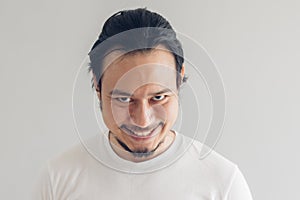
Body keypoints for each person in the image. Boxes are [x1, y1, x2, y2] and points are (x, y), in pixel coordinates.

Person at [34, 8, 253, 200]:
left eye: (158, 97)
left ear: (179, 78)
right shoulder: (57, 179)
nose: (142, 120)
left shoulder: (223, 183)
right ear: (97, 86)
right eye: (123, 99)